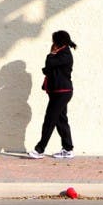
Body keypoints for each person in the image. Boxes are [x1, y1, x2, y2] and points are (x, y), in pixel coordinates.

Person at [28, 30, 77, 159]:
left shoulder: (65, 54)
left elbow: (49, 64)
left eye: (54, 40)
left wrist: (51, 54)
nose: (52, 43)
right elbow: (47, 69)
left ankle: (39, 150)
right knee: (61, 120)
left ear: (58, 42)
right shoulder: (60, 54)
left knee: (49, 120)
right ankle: (68, 149)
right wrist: (51, 59)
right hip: (57, 92)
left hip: (62, 92)